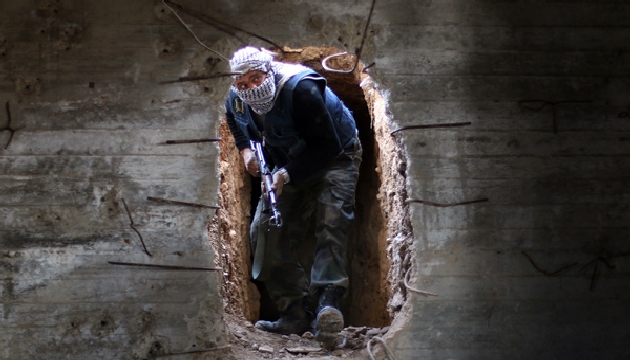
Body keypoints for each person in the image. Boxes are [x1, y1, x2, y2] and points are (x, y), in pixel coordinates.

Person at [224, 46, 362, 344]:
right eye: (242, 83)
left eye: (256, 78)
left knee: (332, 219)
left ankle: (329, 303)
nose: (249, 87)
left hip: (336, 153)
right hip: (284, 159)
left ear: (268, 71)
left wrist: (285, 176)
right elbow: (236, 120)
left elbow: (326, 145)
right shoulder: (236, 97)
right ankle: (294, 312)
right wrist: (246, 151)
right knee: (265, 230)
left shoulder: (302, 89)